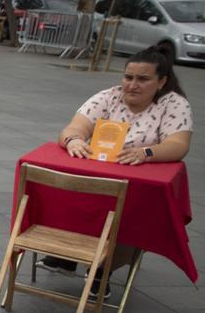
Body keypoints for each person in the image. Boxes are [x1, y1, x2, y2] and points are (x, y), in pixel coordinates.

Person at [42, 40, 193, 299]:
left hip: (137, 181)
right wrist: (74, 140)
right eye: (128, 77)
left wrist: (146, 153)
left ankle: (103, 269)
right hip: (97, 175)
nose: (132, 85)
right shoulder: (109, 96)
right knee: (64, 190)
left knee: (134, 214)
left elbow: (178, 145)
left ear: (161, 82)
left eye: (142, 79)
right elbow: (74, 127)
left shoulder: (174, 104)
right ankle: (65, 251)